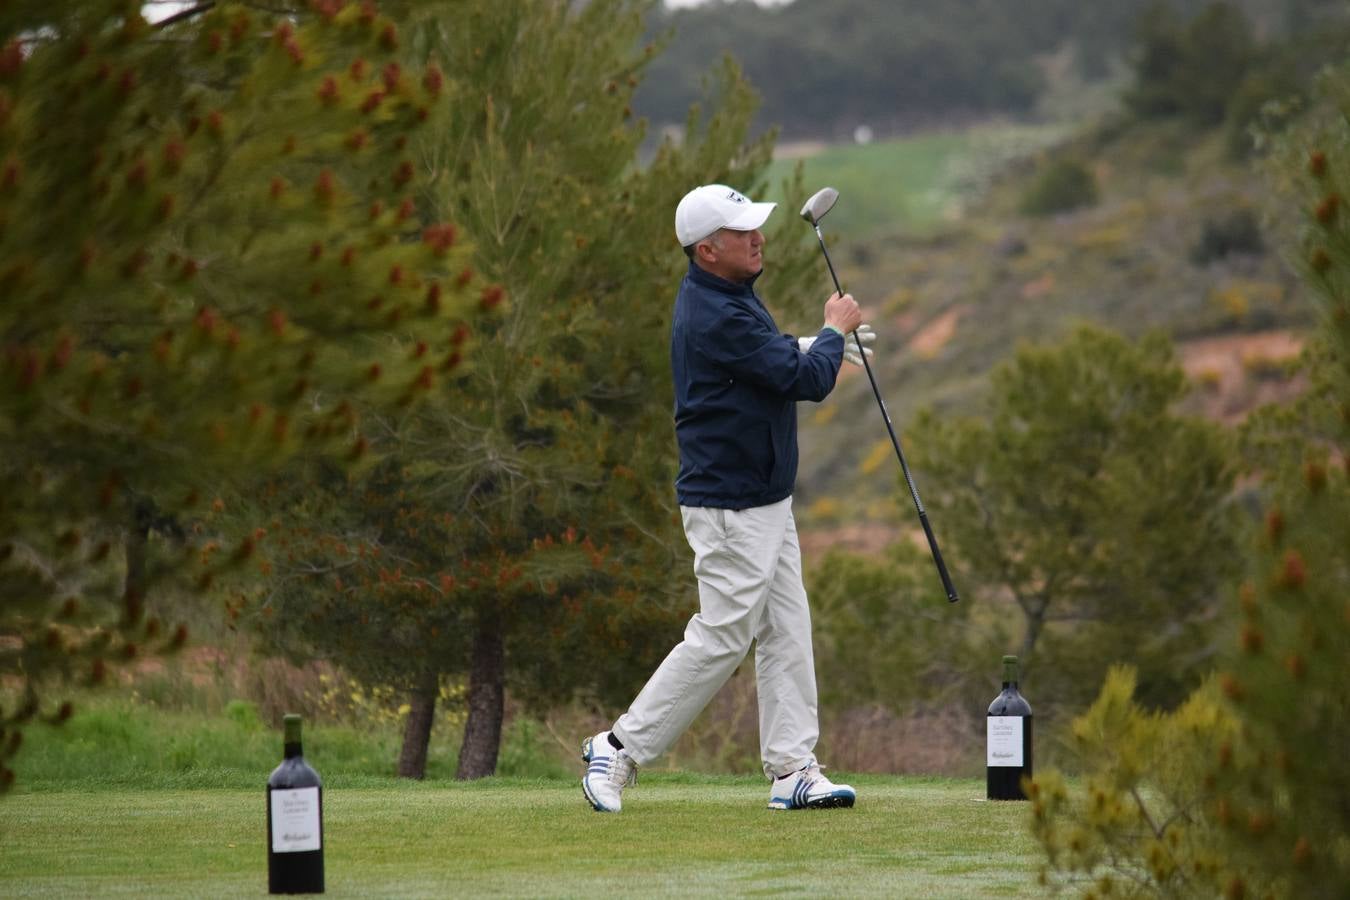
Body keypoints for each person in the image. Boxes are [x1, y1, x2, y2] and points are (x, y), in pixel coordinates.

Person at [581, 184, 876, 813]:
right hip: (730, 507)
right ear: (708, 250)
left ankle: (792, 768)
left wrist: (806, 344)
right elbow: (806, 381)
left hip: (763, 498)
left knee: (787, 630)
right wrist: (829, 333)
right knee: (721, 636)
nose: (757, 237)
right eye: (743, 232)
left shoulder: (728, 295)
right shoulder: (718, 311)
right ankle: (618, 748)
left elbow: (766, 362)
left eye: (755, 228)